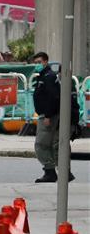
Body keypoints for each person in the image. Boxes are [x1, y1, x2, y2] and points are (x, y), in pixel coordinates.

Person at [31, 52, 76, 183]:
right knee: (55, 145)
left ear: (45, 61)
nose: (37, 65)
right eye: (35, 63)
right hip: (49, 115)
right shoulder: (45, 76)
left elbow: (53, 97)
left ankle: (51, 171)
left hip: (48, 116)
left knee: (41, 145)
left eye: (39, 62)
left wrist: (48, 115)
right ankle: (62, 172)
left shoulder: (48, 77)